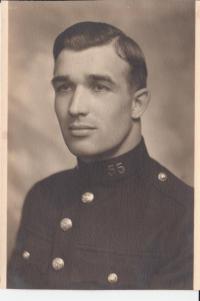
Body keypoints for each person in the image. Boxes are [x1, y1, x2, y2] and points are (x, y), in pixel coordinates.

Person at [7, 21, 193, 289]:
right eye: (64, 87)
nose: (75, 107)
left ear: (137, 103)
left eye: (99, 87)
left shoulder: (182, 214)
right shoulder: (42, 197)